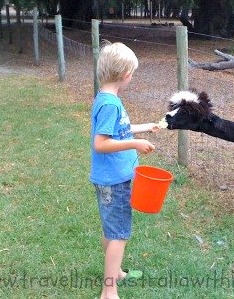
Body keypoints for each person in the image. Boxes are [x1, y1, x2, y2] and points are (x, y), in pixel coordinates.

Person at [90, 40, 160, 299]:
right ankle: (109, 291)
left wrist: (144, 127)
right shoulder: (110, 104)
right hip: (114, 180)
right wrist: (136, 143)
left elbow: (117, 130)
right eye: (133, 73)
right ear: (125, 75)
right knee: (119, 233)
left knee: (112, 229)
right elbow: (102, 143)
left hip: (109, 178)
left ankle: (115, 272)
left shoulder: (106, 98)